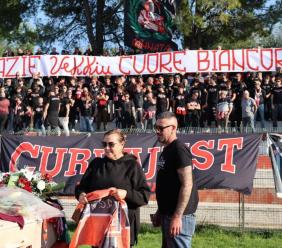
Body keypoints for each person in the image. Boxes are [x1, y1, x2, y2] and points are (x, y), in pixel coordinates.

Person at [75, 129, 151, 247]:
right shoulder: (96, 164)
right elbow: (81, 187)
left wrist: (126, 194)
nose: (106, 148)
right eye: (104, 144)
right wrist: (81, 195)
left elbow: (144, 196)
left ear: (122, 144)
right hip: (98, 226)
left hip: (122, 228)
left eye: (111, 144)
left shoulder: (132, 165)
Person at [151, 111, 198, 248]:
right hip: (168, 214)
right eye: (156, 127)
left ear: (173, 128)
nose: (158, 131)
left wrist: (177, 216)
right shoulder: (167, 150)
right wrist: (161, 211)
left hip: (179, 216)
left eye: (161, 128)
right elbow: (168, 185)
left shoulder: (179, 150)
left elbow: (187, 185)